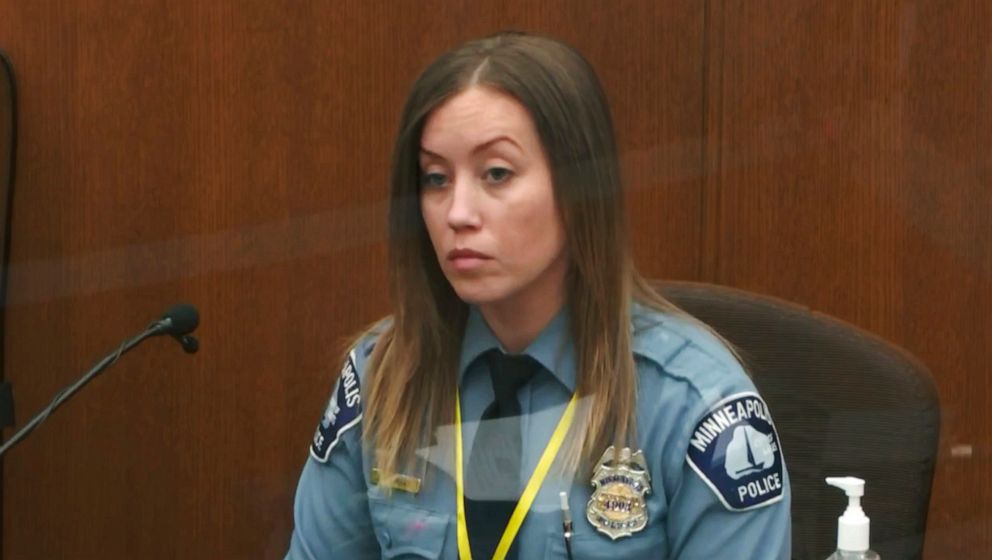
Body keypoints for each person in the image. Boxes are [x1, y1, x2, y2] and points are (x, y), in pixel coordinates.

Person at [287, 31, 791, 559]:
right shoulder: (382, 377)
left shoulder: (695, 407)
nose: (457, 212)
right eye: (436, 179)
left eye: (496, 174)